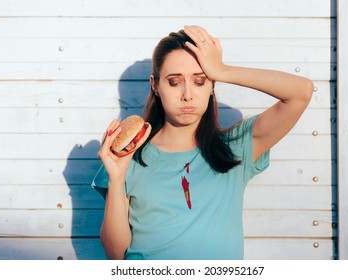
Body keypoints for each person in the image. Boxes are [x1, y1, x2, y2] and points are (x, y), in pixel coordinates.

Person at [92, 25, 314, 260]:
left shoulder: (236, 148)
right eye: (174, 82)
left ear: (212, 86)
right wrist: (116, 178)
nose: (187, 94)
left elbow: (301, 92)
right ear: (155, 85)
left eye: (199, 81)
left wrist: (222, 70)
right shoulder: (126, 156)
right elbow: (115, 254)